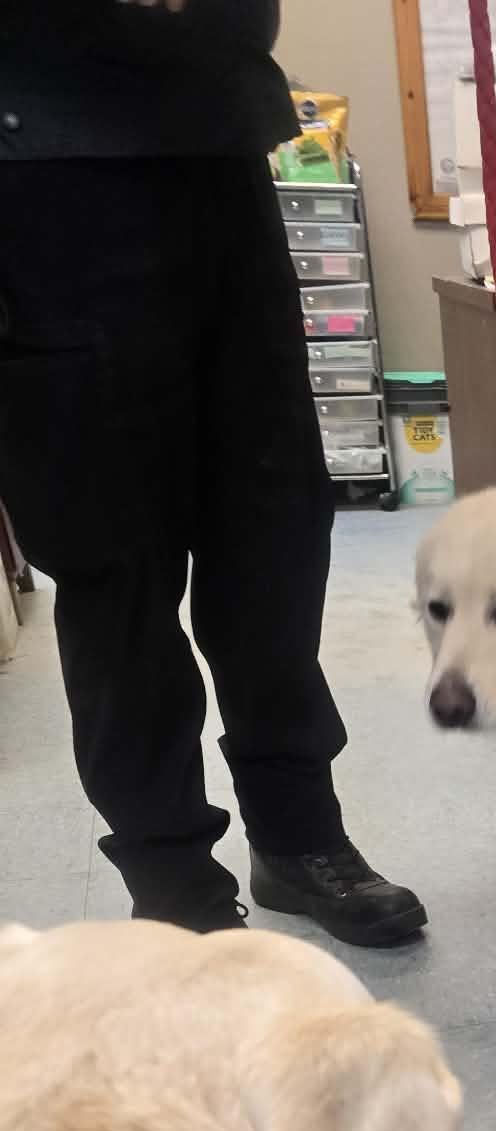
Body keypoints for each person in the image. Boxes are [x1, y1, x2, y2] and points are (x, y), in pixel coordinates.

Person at [0, 1, 425, 944]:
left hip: (218, 155)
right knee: (118, 571)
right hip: (38, 181)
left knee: (272, 535)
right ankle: (174, 887)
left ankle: (299, 838)